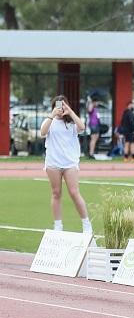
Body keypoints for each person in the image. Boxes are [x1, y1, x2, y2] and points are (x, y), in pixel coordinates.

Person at [39, 96, 92, 234]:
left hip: (70, 162)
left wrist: (70, 112)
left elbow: (82, 127)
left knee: (74, 193)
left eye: (63, 106)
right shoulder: (49, 121)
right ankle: (58, 225)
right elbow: (43, 132)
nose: (61, 108)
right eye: (58, 106)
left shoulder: (72, 123)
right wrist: (52, 115)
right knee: (56, 193)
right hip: (53, 163)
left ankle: (86, 224)